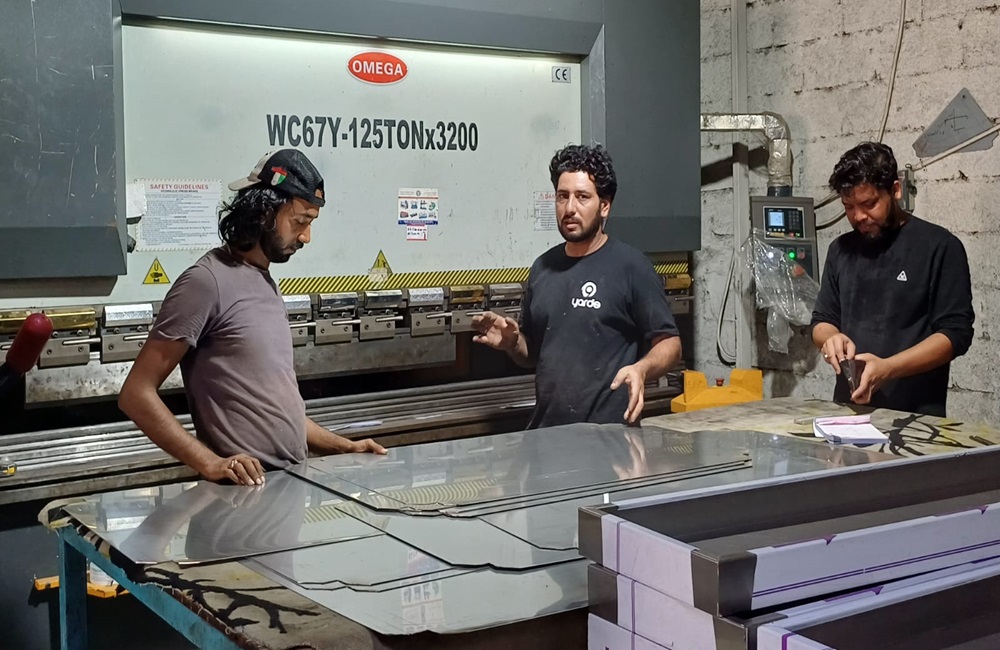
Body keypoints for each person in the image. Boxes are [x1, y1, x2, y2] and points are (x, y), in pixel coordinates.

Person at [119, 149, 385, 488]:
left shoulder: (264, 282)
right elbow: (136, 393)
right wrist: (211, 462)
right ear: (264, 212)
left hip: (285, 488)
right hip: (241, 500)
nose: (306, 237)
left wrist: (344, 446)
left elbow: (277, 412)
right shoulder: (206, 282)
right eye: (300, 222)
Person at [473, 144, 681, 428]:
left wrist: (641, 369)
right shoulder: (542, 267)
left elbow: (670, 344)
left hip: (609, 438)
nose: (569, 208)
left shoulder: (631, 267)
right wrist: (513, 343)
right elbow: (532, 354)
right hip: (548, 436)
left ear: (604, 206)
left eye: (582, 197)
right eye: (563, 196)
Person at [810, 141, 975, 416]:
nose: (859, 216)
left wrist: (888, 368)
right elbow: (822, 320)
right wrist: (830, 338)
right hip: (847, 416)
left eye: (869, 204)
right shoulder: (840, 250)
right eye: (849, 207)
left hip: (915, 420)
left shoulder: (939, 246)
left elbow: (955, 334)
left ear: (895, 190)